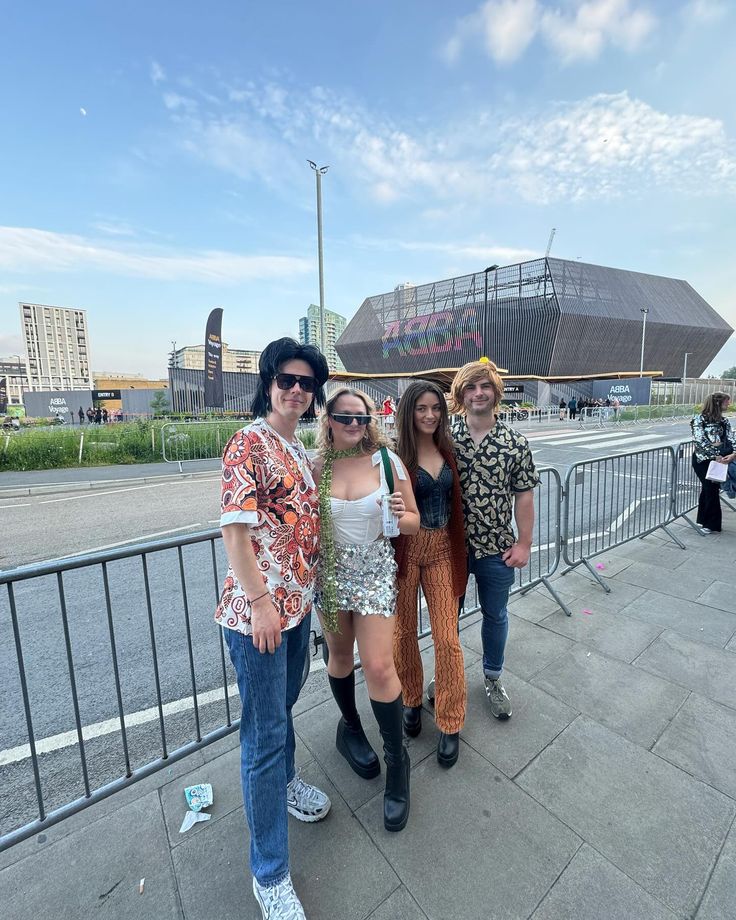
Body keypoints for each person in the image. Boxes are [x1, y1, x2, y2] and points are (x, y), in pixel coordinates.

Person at [216, 337, 331, 920]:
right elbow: (235, 533)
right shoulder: (248, 444)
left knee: (282, 711)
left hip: (296, 609)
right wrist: (261, 602)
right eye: (287, 379)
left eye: (307, 384)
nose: (296, 390)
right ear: (268, 383)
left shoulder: (293, 446)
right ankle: (270, 875)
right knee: (263, 738)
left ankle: (285, 787)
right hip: (259, 615)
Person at [315, 387, 419, 832]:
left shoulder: (388, 463)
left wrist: (401, 510)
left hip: (375, 567)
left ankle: (398, 766)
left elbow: (412, 520)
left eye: (361, 417)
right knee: (339, 657)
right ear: (329, 420)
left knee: (378, 666)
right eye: (345, 417)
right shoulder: (315, 466)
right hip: (331, 573)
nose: (354, 425)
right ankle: (350, 728)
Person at [449, 358, 540, 719]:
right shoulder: (444, 435)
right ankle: (449, 675)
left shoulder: (514, 442)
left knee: (495, 615)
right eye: (470, 387)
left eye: (484, 386)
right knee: (446, 618)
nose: (478, 393)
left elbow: (525, 495)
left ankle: (492, 676)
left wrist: (525, 543)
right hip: (450, 548)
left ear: (496, 392)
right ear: (460, 394)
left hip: (496, 549)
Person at [392, 381, 468, 768]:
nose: (430, 415)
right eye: (421, 408)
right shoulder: (393, 457)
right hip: (405, 555)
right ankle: (409, 698)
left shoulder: (448, 451)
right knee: (402, 633)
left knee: (447, 638)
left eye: (436, 408)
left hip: (440, 551)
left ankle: (451, 721)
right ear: (409, 411)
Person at [691, 392, 736, 533]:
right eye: (726, 402)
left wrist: (734, 454)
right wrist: (715, 452)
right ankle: (711, 524)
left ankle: (703, 520)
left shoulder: (724, 421)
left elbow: (730, 438)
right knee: (710, 488)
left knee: (708, 489)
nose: (729, 404)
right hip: (702, 460)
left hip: (720, 460)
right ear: (717, 403)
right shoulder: (699, 419)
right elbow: (699, 440)